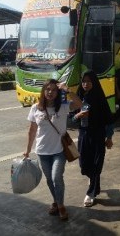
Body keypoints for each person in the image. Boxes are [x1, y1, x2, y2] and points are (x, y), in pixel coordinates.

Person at [23, 79, 82, 220]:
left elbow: (79, 104)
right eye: (48, 89)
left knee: (56, 177)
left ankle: (61, 206)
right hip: (42, 151)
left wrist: (68, 90)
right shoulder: (36, 108)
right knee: (50, 179)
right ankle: (56, 201)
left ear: (58, 92)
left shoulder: (63, 106)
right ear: (43, 91)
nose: (50, 92)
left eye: (54, 90)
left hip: (59, 151)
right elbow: (32, 131)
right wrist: (27, 150)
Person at [74, 70, 114, 207]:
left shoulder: (99, 97)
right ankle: (93, 181)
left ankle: (91, 193)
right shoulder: (79, 97)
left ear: (94, 82)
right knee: (84, 164)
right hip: (84, 135)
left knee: (96, 164)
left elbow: (109, 119)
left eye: (89, 81)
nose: (85, 84)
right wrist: (77, 116)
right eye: (83, 81)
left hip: (98, 135)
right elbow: (71, 118)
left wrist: (109, 137)